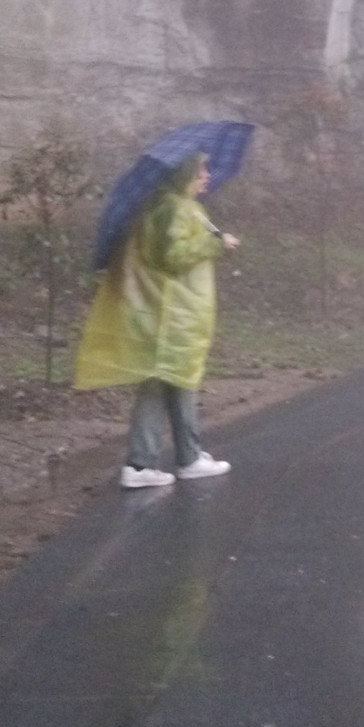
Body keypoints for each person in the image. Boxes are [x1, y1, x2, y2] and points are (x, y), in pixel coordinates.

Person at [73, 152, 240, 487]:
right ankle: (155, 462)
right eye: (200, 169)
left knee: (171, 383)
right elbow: (172, 256)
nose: (207, 175)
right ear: (183, 173)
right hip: (173, 314)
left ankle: (170, 458)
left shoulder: (172, 205)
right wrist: (215, 244)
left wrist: (214, 240)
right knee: (175, 381)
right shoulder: (175, 208)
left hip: (169, 313)